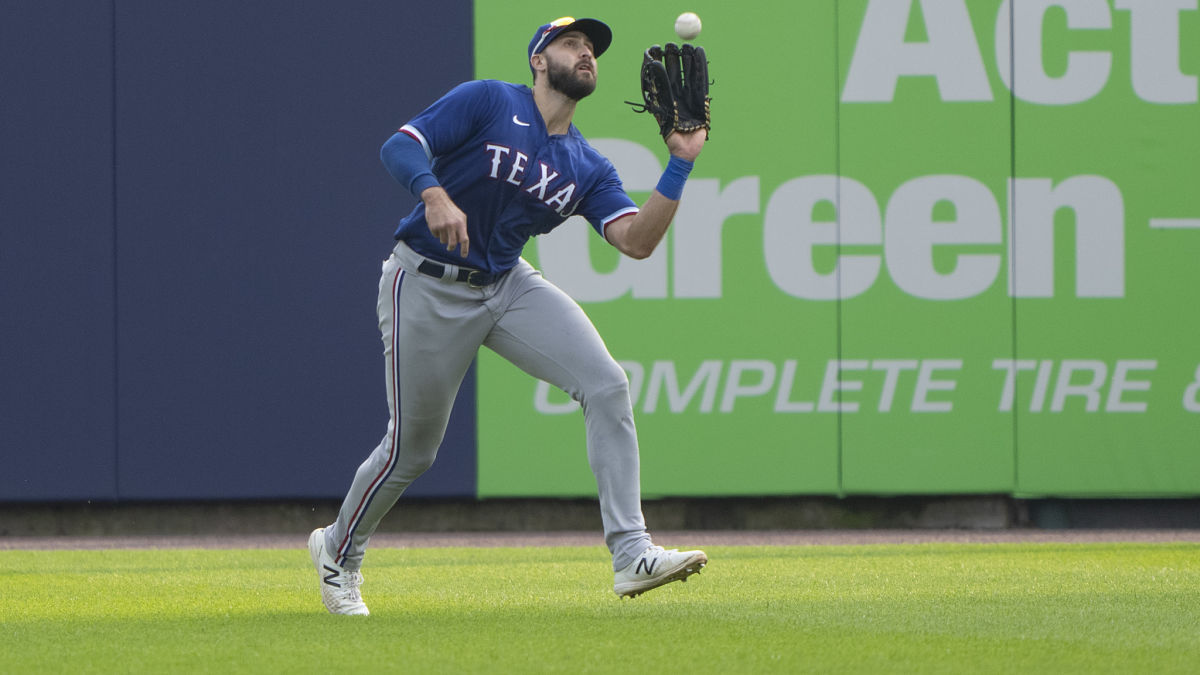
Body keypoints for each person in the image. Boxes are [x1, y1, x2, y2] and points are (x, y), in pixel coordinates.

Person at [308, 16, 708, 615]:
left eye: (592, 48)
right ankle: (338, 554)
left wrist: (680, 162)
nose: (586, 54)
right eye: (571, 44)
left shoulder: (586, 164)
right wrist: (432, 192)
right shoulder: (490, 100)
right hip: (425, 280)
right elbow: (400, 144)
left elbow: (636, 242)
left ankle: (632, 554)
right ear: (538, 60)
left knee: (607, 385)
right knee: (412, 450)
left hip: (505, 283)